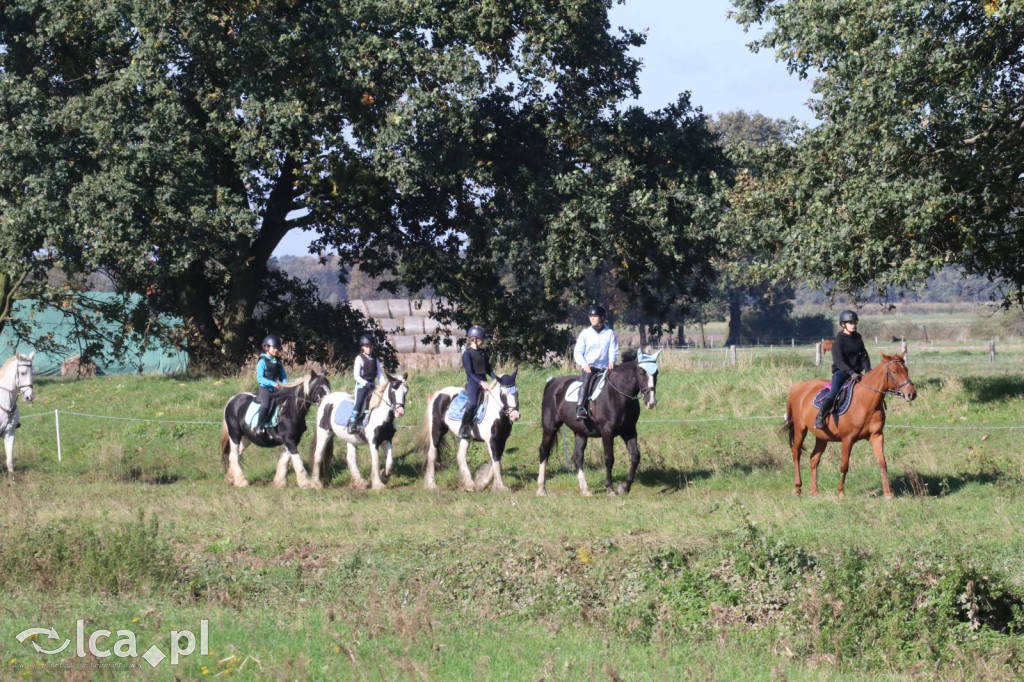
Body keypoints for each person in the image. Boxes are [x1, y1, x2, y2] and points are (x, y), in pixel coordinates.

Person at [814, 310, 871, 429]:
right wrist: (851, 372)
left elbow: (864, 356)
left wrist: (869, 372)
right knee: (834, 393)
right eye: (850, 323)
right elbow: (839, 361)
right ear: (843, 324)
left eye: (854, 322)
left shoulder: (858, 338)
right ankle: (820, 416)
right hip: (841, 372)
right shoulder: (839, 340)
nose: (853, 325)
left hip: (856, 373)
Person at [573, 304, 619, 419]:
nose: (592, 318)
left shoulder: (609, 333)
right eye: (590, 316)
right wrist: (584, 365)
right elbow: (578, 352)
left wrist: (612, 361)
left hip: (606, 368)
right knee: (586, 382)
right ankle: (580, 408)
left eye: (595, 316)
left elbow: (613, 350)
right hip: (590, 367)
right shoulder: (585, 334)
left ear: (602, 318)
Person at [459, 325, 498, 439]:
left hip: (484, 382)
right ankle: (463, 427)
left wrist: (498, 379)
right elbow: (470, 373)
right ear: (475, 339)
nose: (483, 342)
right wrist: (481, 383)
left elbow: (489, 370)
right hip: (473, 383)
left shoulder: (483, 352)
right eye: (482, 340)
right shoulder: (467, 353)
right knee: (472, 404)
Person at [348, 333, 383, 433]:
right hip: (361, 386)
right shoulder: (359, 358)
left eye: (371, 346)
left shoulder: (376, 360)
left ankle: (369, 422)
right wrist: (366, 383)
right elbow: (356, 376)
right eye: (367, 346)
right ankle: (352, 423)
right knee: (359, 402)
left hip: (372, 386)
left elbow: (380, 375)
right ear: (362, 347)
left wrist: (384, 385)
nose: (369, 349)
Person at [255, 333, 287, 438]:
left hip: (276, 389)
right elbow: (260, 379)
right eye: (274, 348)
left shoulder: (278, 363)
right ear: (266, 347)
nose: (276, 350)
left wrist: (286, 386)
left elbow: (283, 377)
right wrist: (272, 383)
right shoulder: (262, 361)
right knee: (266, 405)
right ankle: (259, 426)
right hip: (265, 388)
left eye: (278, 348)